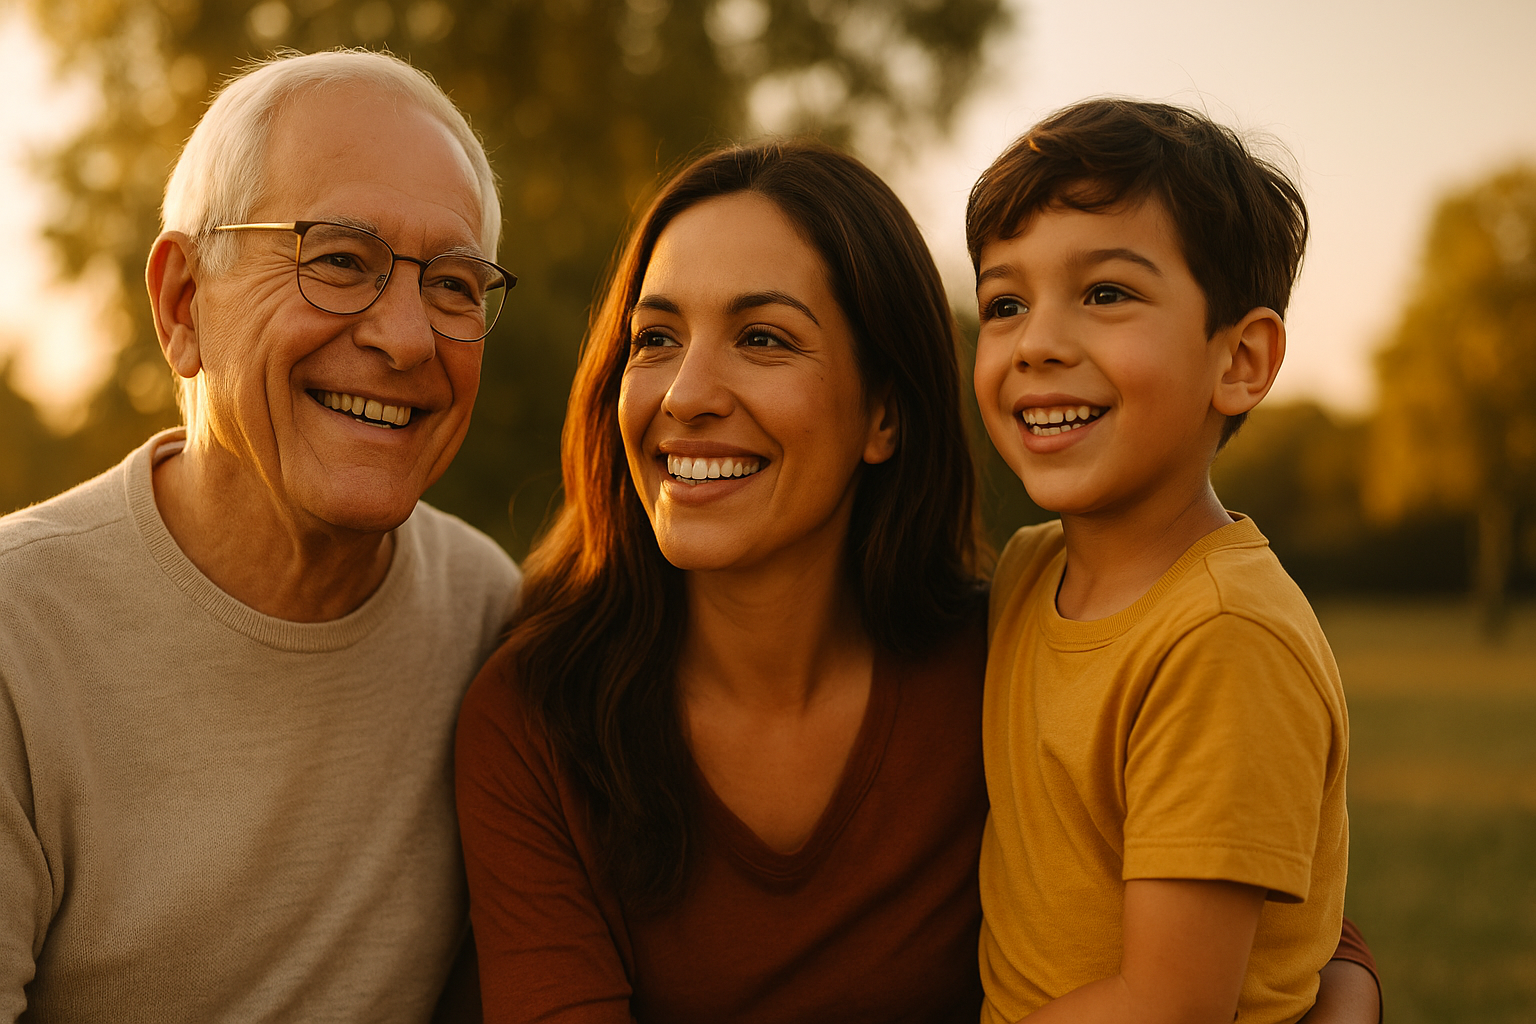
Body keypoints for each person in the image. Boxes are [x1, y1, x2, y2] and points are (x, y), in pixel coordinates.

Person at [454, 140, 1379, 1023]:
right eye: (654, 338)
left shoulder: (1002, 648)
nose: (686, 394)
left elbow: (1260, 904)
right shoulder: (538, 722)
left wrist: (1346, 994)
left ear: (885, 413)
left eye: (765, 338)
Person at [0, 51, 519, 1022]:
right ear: (183, 303)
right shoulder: (18, 640)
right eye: (337, 261)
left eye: (453, 285)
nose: (406, 337)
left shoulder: (488, 617)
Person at [969, 99, 1351, 1024]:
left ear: (1242, 360)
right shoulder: (1027, 572)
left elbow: (1169, 1004)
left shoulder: (1222, 637)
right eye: (1004, 304)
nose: (1038, 343)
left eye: (1105, 294)